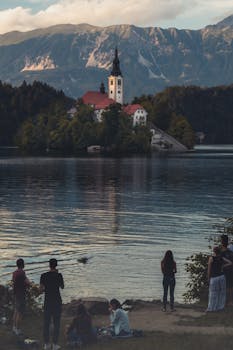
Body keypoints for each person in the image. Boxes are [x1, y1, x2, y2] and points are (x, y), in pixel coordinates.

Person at [40, 258, 64, 350]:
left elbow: (41, 289)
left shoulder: (43, 276)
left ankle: (46, 344)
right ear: (56, 265)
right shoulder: (59, 275)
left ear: (49, 265)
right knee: (56, 323)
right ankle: (54, 344)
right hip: (57, 301)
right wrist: (57, 275)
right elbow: (62, 287)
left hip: (48, 302)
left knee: (46, 322)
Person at [206, 246, 232, 312]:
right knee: (221, 293)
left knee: (213, 293)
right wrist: (223, 266)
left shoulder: (211, 258)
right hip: (222, 277)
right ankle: (220, 306)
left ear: (214, 251)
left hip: (214, 277)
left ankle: (211, 307)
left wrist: (208, 277)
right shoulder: (221, 258)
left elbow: (209, 269)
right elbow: (230, 262)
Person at [12, 258, 30, 335]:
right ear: (22, 265)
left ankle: (14, 327)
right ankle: (17, 329)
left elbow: (13, 281)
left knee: (16, 311)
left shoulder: (14, 273)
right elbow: (27, 282)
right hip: (21, 294)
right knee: (20, 312)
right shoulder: (22, 273)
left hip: (16, 294)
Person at [220, 234, 233, 305]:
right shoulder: (230, 250)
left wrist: (223, 266)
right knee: (230, 286)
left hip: (225, 270)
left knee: (226, 286)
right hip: (230, 270)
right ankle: (230, 301)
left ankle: (226, 300)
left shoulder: (222, 252)